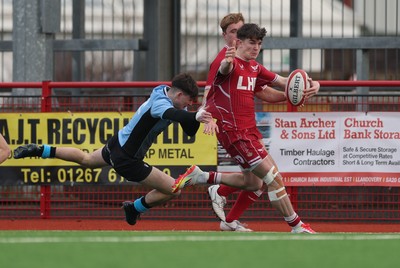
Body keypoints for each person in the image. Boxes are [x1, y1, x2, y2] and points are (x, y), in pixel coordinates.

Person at [174, 23, 320, 234]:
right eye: (252, 42)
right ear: (238, 42)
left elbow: (283, 83)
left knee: (254, 183)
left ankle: (203, 178)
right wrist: (227, 61)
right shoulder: (228, 63)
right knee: (273, 177)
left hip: (248, 130)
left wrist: (313, 86)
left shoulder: (255, 68)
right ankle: (297, 226)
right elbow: (225, 69)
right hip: (234, 133)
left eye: (259, 43)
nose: (256, 47)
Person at [13, 73, 214, 226]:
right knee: (174, 190)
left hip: (116, 143)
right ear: (179, 94)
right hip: (127, 158)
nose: (189, 104)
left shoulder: (162, 90)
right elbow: (175, 115)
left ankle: (40, 150)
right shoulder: (162, 104)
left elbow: (189, 129)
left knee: (86, 160)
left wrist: (199, 114)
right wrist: (195, 115)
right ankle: (134, 208)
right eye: (188, 100)